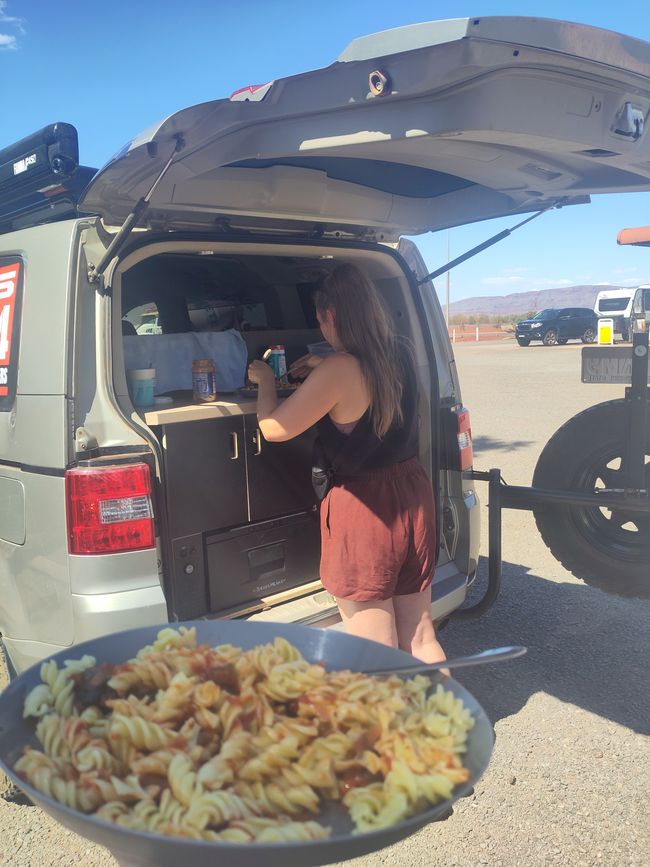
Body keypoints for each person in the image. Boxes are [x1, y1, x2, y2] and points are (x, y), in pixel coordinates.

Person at [247, 263, 446, 664]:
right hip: (412, 493)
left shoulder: (340, 368)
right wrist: (323, 367)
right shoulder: (402, 352)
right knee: (421, 638)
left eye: (320, 319)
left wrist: (266, 381)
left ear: (331, 316)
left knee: (373, 649)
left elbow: (274, 428)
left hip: (365, 508)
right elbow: (369, 376)